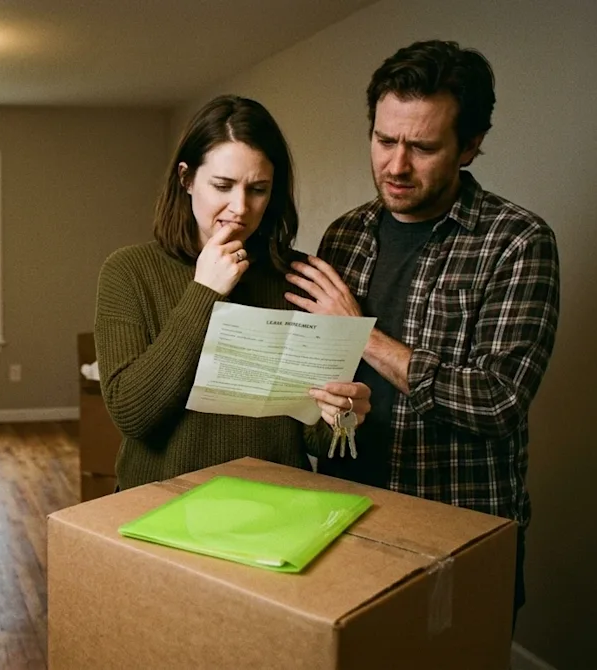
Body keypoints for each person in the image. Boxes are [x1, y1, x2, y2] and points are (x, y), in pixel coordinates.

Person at [285, 41, 560, 630]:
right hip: (344, 518)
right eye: (385, 140)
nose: (396, 165)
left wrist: (364, 337)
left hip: (456, 529)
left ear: (470, 146)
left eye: (423, 147)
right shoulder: (346, 235)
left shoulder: (516, 241)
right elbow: (324, 387)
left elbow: (498, 401)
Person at [95, 94, 371, 491]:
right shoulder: (129, 271)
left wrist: (343, 416)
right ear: (186, 178)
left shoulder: (299, 277)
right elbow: (134, 416)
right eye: (222, 185)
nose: (240, 207)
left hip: (274, 504)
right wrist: (204, 292)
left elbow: (316, 439)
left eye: (258, 189)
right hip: (158, 504)